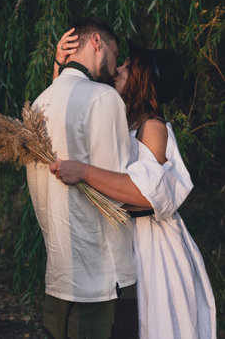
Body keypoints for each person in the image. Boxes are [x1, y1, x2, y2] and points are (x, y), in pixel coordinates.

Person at [50, 32, 217, 339]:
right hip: (123, 240)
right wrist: (61, 66)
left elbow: (145, 194)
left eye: (127, 65)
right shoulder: (120, 118)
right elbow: (65, 115)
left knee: (149, 325)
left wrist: (85, 172)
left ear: (142, 79)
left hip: (149, 247)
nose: (118, 69)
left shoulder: (152, 127)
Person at [26, 17, 139, 339]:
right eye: (116, 54)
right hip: (103, 279)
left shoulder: (39, 103)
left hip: (61, 272)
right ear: (97, 43)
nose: (115, 67)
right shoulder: (102, 98)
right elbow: (117, 190)